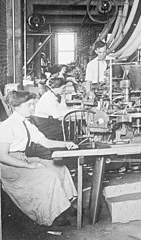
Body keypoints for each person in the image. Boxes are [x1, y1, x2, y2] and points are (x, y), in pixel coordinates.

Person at [0, 91, 78, 227]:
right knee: (49, 175)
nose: (32, 108)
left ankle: (65, 205)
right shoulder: (6, 126)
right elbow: (3, 157)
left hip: (23, 159)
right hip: (10, 167)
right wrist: (30, 166)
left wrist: (66, 144)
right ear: (17, 107)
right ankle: (54, 214)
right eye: (29, 105)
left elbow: (46, 142)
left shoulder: (27, 123)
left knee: (60, 168)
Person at [32, 77, 71, 144]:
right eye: (63, 88)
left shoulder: (55, 95)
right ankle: (64, 146)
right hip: (44, 124)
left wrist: (63, 100)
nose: (64, 90)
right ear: (56, 87)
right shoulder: (49, 97)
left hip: (49, 121)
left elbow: (63, 109)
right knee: (69, 127)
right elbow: (57, 116)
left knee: (70, 125)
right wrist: (70, 112)